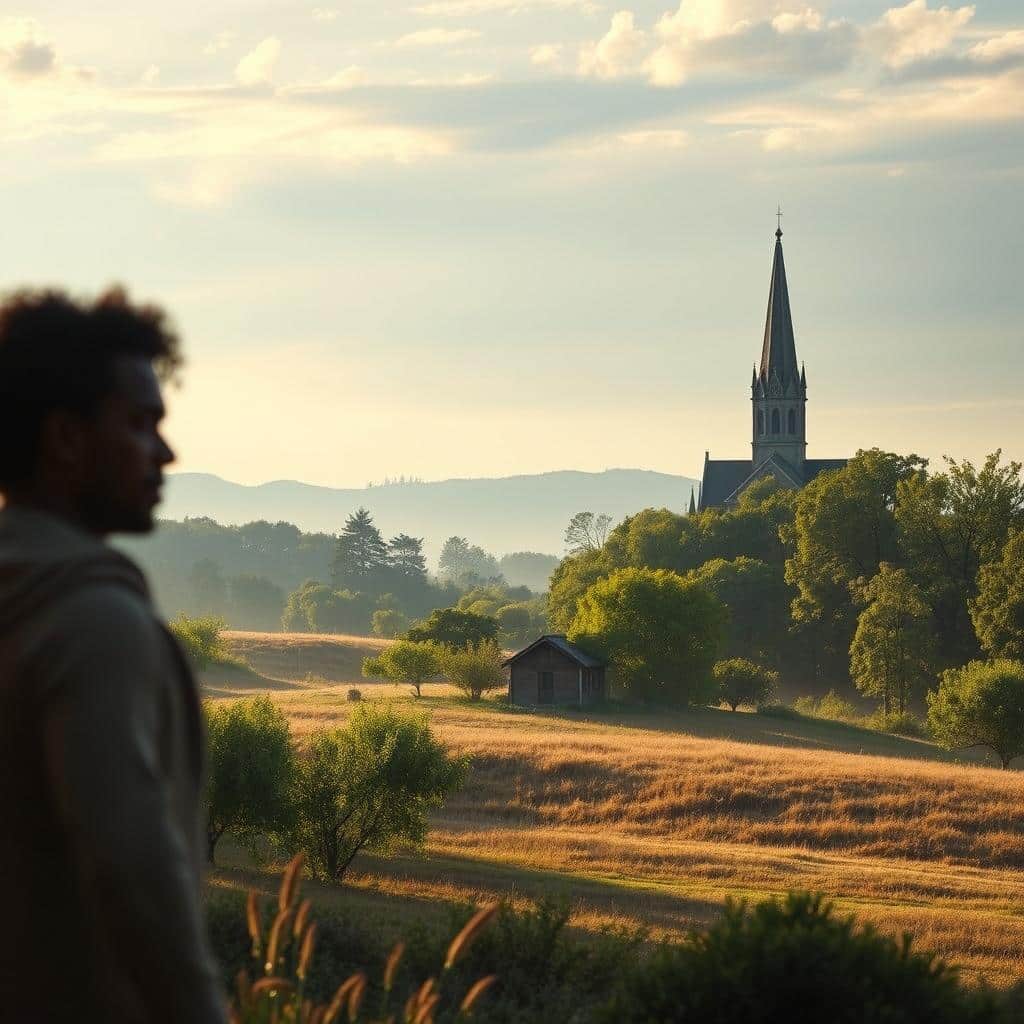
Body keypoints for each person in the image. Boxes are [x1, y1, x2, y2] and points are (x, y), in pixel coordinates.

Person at [0, 287, 227, 1023]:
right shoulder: (94, 623)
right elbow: (130, 867)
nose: (166, 452)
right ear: (66, 439)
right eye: (139, 424)